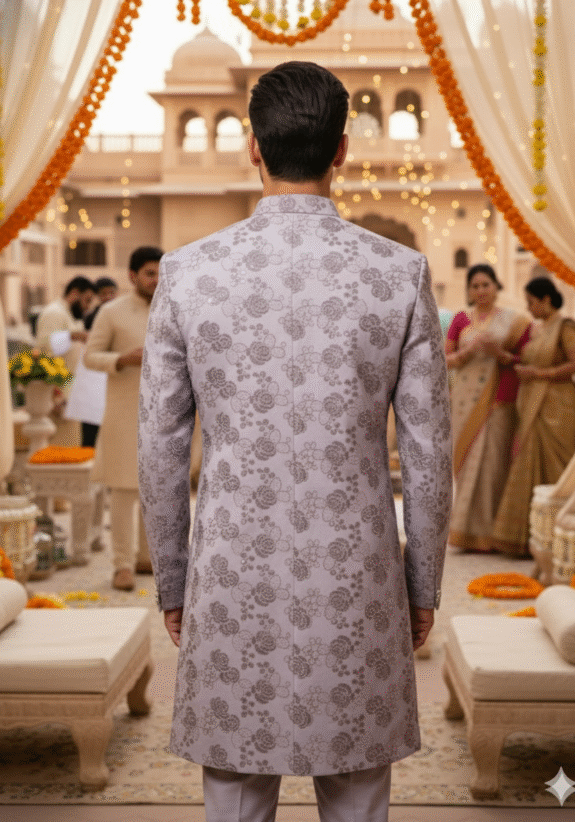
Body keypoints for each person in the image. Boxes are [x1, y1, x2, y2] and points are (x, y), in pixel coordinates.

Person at [138, 61, 452, 822]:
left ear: (254, 146)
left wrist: (175, 582)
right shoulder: (397, 274)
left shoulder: (188, 274)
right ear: (343, 149)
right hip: (358, 575)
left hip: (233, 571)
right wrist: (422, 586)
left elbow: (158, 446)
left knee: (237, 794)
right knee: (357, 796)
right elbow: (430, 453)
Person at [491, 276, 575, 556]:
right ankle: (528, 540)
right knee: (528, 461)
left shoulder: (565, 327)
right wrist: (513, 362)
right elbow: (535, 361)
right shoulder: (539, 329)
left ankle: (559, 539)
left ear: (546, 300)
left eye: (532, 302)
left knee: (555, 464)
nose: (529, 307)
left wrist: (538, 374)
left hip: (558, 406)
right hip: (534, 403)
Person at [84, 247, 163, 591]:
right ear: (132, 276)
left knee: (156, 490)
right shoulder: (111, 312)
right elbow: (90, 356)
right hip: (123, 412)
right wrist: (121, 359)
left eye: (161, 272)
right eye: (150, 273)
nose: (156, 279)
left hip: (163, 414)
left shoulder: (173, 308)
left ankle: (148, 558)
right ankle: (122, 565)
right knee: (124, 489)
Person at [445, 263, 529, 552]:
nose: (481, 290)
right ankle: (464, 532)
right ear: (469, 290)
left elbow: (525, 362)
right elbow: (445, 359)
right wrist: (469, 351)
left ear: (496, 286)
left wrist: (498, 353)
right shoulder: (460, 320)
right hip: (463, 402)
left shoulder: (515, 321)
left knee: (493, 464)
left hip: (497, 401)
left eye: (486, 284)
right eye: (475, 286)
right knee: (466, 464)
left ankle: (493, 534)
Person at [36, 276, 96, 447]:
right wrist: (56, 394)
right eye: (87, 300)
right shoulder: (54, 313)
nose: (87, 306)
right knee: (59, 449)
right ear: (75, 293)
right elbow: (45, 351)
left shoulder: (67, 314)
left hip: (70, 390)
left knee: (71, 447)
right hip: (58, 393)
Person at [75, 277, 119, 448]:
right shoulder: (92, 316)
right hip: (94, 375)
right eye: (104, 293)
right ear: (97, 296)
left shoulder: (121, 312)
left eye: (111, 293)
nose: (108, 296)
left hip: (116, 373)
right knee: (91, 426)